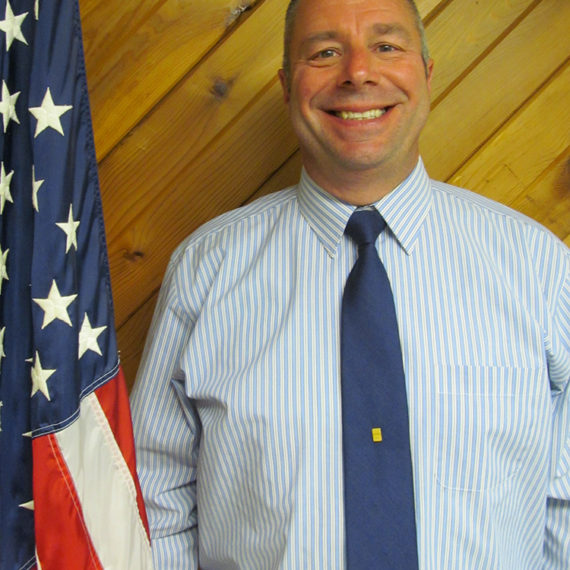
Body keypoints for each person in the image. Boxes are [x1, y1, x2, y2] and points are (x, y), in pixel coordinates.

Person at [130, 0, 570, 567]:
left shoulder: (536, 267)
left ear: (427, 75)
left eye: (386, 46)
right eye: (325, 52)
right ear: (287, 87)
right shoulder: (206, 270)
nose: (358, 72)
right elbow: (155, 500)